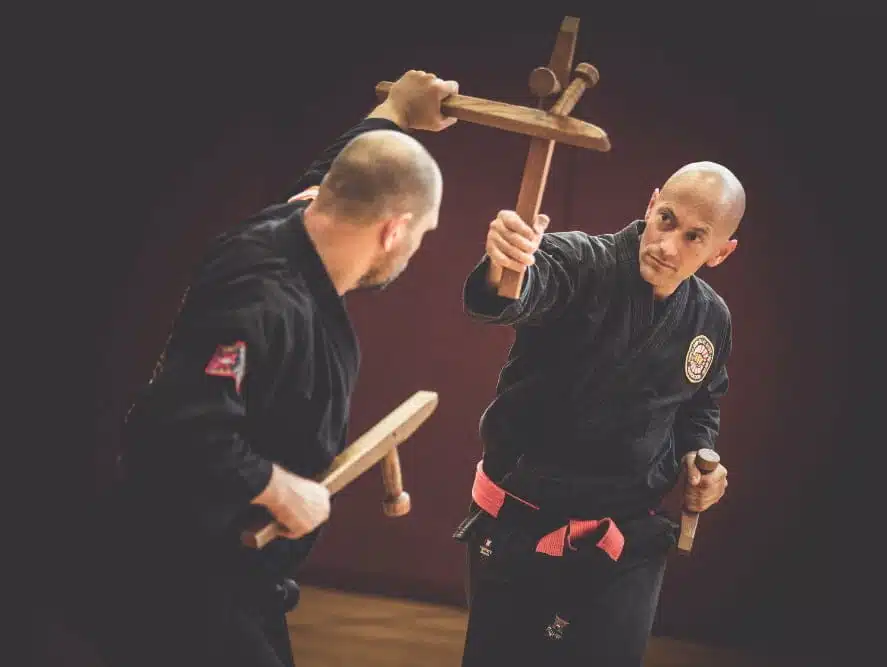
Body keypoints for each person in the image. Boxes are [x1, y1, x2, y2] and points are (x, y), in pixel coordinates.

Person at [86, 69, 459, 667]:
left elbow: (346, 169)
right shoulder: (263, 300)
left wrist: (397, 108)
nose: (417, 249)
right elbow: (180, 424)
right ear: (393, 231)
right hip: (183, 576)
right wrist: (283, 492)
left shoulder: (301, 221)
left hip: (237, 581)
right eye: (421, 235)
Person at [454, 161, 744, 666]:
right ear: (651, 204)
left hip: (627, 537)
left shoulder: (710, 318)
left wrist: (703, 457)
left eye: (695, 237)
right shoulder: (580, 261)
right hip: (521, 523)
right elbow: (517, 289)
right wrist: (507, 263)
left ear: (721, 251)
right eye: (667, 220)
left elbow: (699, 404)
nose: (668, 245)